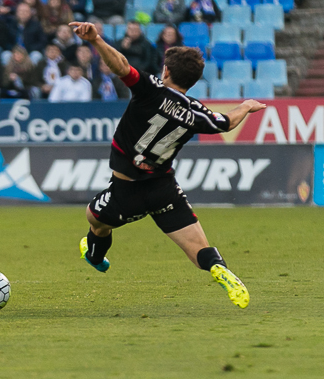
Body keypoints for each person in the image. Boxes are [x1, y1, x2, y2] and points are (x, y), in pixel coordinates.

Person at [70, 20, 265, 309]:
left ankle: (96, 257)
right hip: (164, 189)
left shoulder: (151, 89)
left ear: (166, 71)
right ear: (194, 80)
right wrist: (246, 106)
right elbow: (227, 122)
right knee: (198, 249)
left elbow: (121, 66)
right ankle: (219, 268)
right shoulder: (196, 112)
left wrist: (96, 40)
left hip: (127, 190)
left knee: (94, 220)